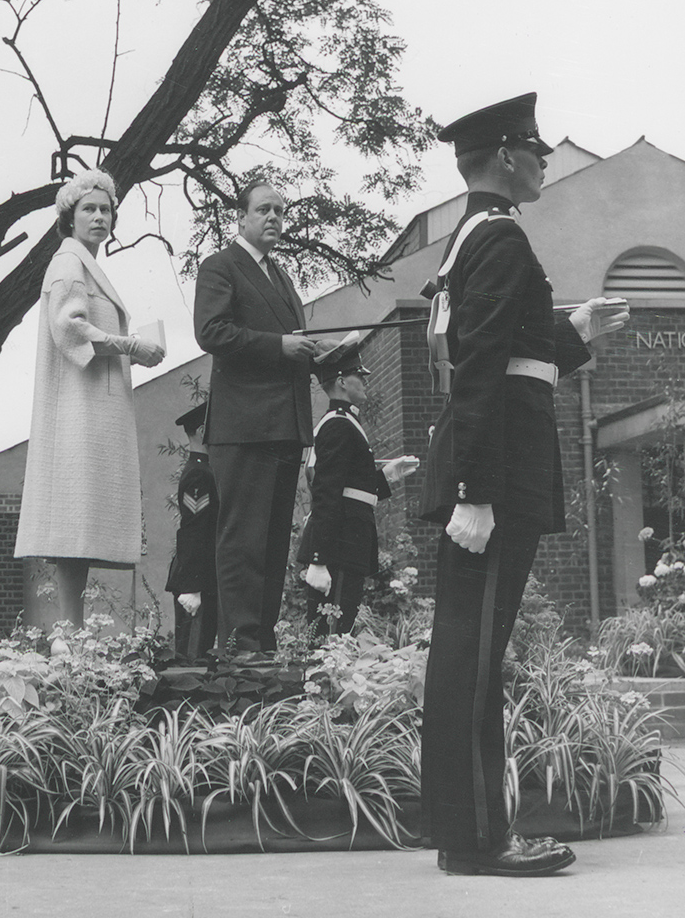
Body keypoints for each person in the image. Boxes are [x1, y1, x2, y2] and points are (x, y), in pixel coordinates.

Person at [418, 93, 628, 877]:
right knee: (472, 659)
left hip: (492, 468)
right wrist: (475, 488)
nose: (545, 161)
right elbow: (478, 369)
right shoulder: (501, 239)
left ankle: (465, 834)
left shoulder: (471, 238)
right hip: (494, 475)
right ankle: (479, 841)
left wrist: (574, 332)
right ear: (506, 156)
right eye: (536, 151)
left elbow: (509, 351)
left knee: (468, 654)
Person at [14, 169, 165, 644]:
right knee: (72, 520)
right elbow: (71, 328)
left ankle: (70, 632)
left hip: (90, 408)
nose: (100, 217)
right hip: (76, 412)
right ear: (70, 218)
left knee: (78, 526)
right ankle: (67, 633)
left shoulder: (83, 264)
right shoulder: (68, 265)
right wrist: (131, 345)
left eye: (106, 210)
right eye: (89, 210)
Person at [193, 180, 325, 662]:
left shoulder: (280, 276)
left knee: (270, 543)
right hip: (244, 426)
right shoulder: (220, 266)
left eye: (280, 211)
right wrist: (281, 346)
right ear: (241, 219)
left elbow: (288, 342)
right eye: (264, 210)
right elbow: (211, 331)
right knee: (243, 539)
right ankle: (240, 642)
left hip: (285, 426)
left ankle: (263, 642)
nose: (274, 218)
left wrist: (317, 352)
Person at [298, 337, 419, 636]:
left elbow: (353, 491)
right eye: (358, 375)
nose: (364, 380)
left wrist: (388, 474)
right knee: (328, 636)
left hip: (346, 541)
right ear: (341, 381)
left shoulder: (346, 423)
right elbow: (327, 493)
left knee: (338, 630)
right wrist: (318, 560)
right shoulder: (338, 425)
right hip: (338, 544)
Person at [165, 401, 219, 659]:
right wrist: (192, 586)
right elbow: (193, 529)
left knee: (199, 655)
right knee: (191, 661)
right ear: (201, 431)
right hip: (195, 578)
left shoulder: (206, 470)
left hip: (201, 575)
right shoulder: (199, 474)